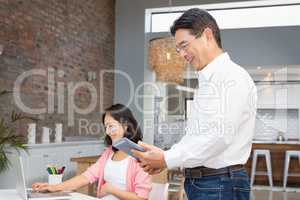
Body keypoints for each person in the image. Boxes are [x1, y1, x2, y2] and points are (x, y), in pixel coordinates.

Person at [132, 8, 257, 200]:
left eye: (184, 45)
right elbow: (196, 136)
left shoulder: (230, 76)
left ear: (207, 35)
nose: (181, 54)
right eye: (178, 49)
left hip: (220, 184)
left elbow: (218, 135)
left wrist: (167, 158)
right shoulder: (207, 81)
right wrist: (165, 158)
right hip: (205, 183)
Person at [32, 104, 152, 200]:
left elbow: (141, 198)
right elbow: (85, 177)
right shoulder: (109, 153)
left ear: (125, 126)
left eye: (111, 126)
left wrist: (111, 190)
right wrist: (54, 187)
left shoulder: (140, 157)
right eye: (106, 127)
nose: (108, 132)